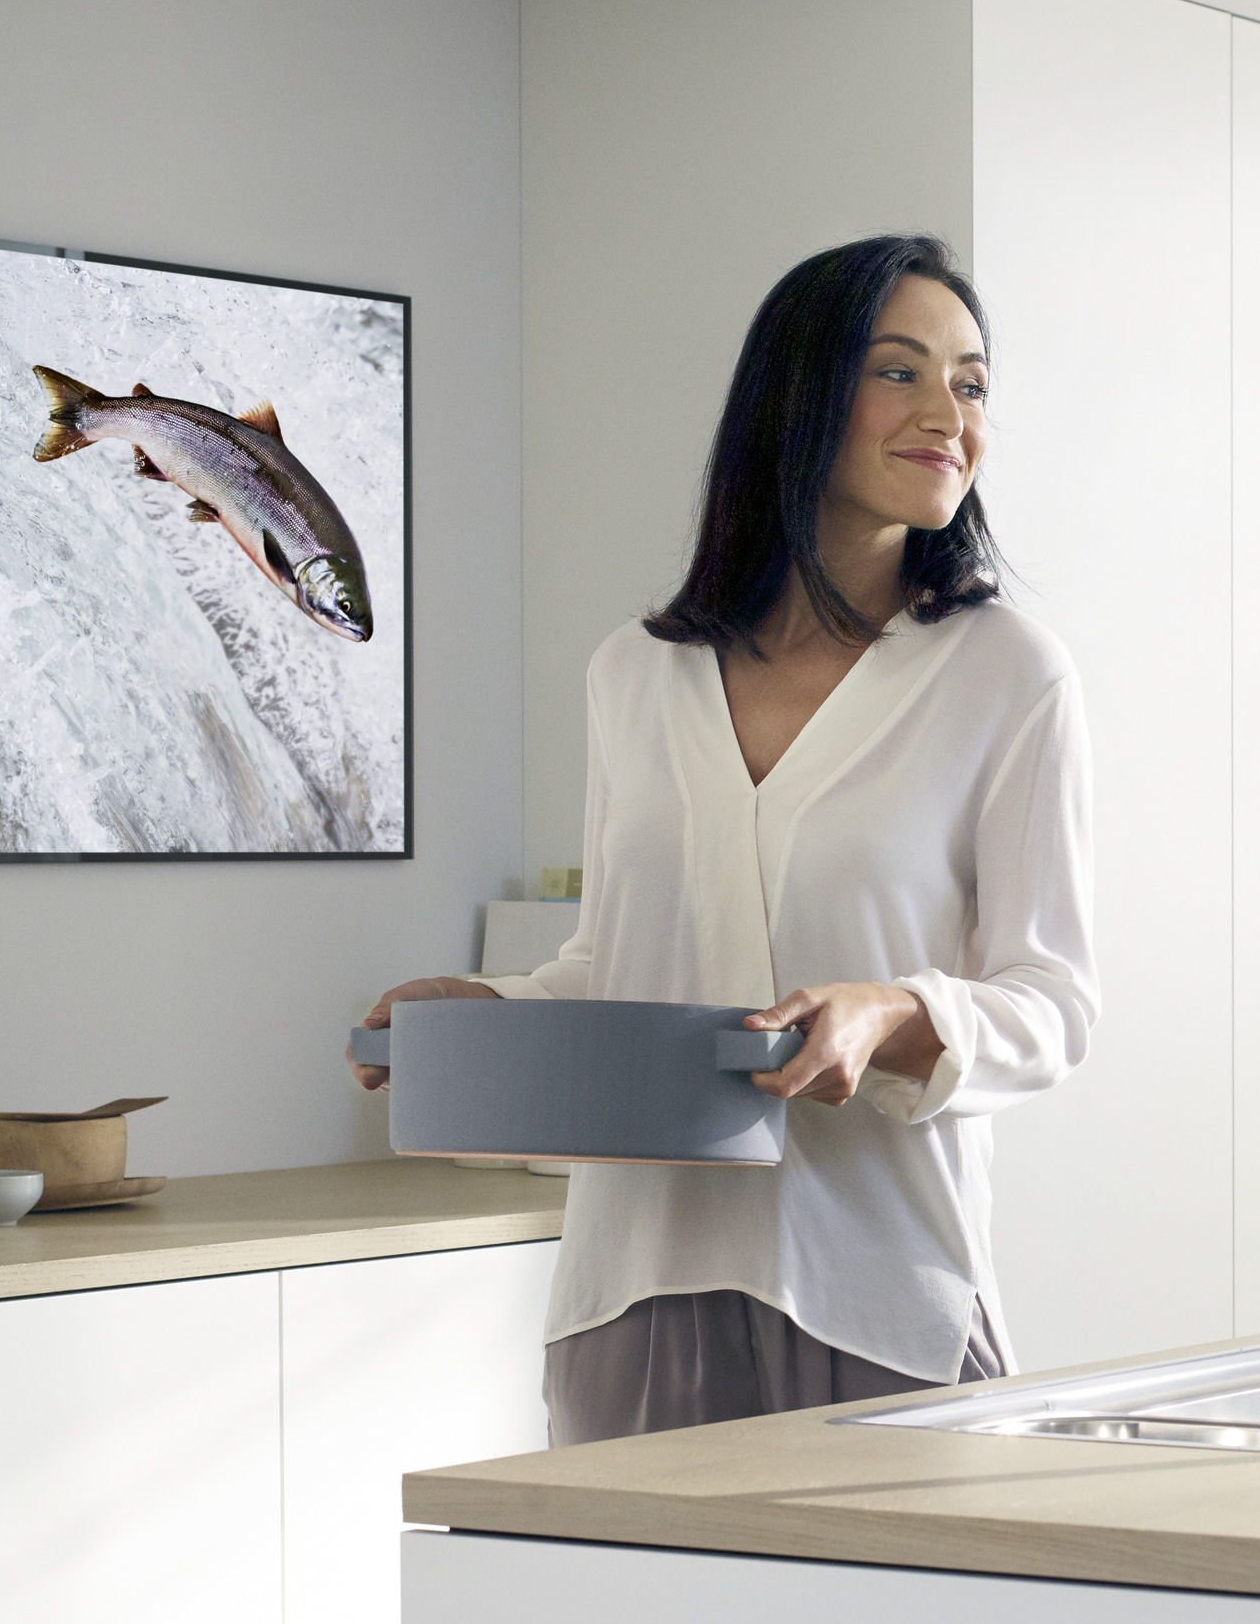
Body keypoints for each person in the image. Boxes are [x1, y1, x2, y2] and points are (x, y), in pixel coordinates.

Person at [350, 235, 1094, 1444]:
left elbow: (1052, 999)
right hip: (635, 1292)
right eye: (899, 372)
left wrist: (892, 1015)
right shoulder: (634, 676)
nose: (947, 414)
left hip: (883, 1293)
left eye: (971, 382)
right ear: (799, 399)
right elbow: (624, 963)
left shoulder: (1007, 674)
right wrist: (483, 1006)